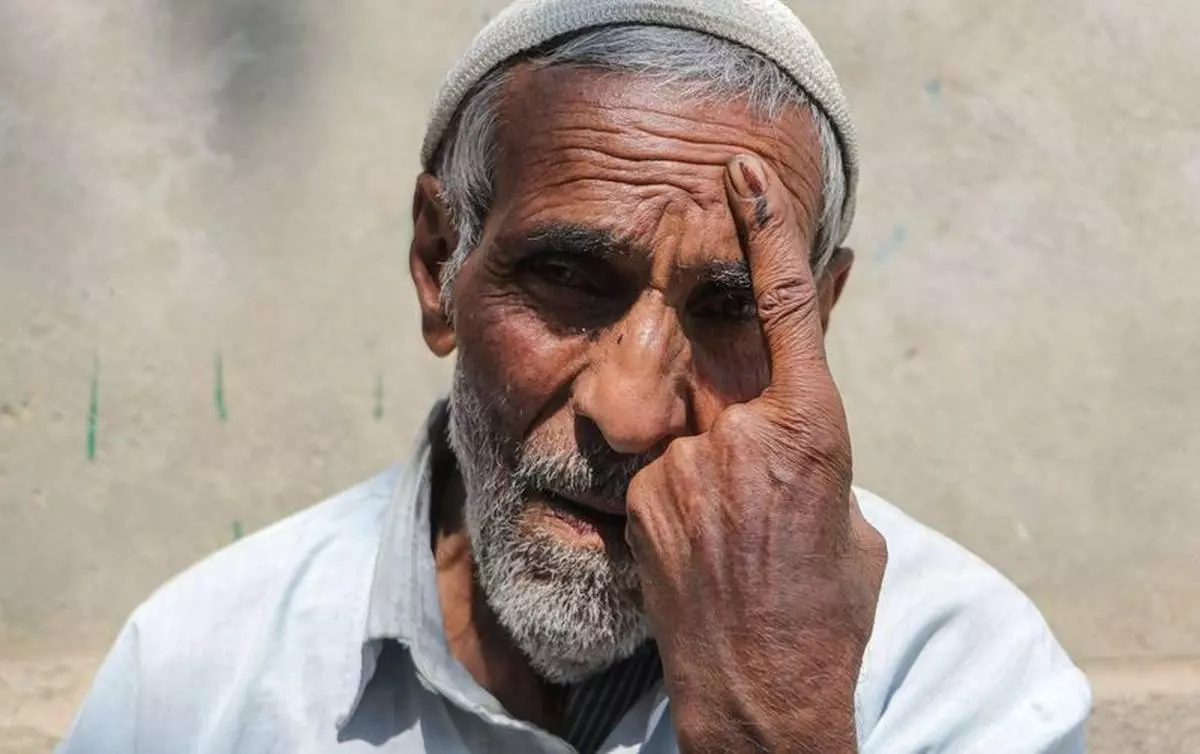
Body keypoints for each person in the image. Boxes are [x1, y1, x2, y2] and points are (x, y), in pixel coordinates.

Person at [58, 0, 1092, 752]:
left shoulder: (963, 675)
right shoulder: (197, 678)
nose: (634, 410)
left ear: (815, 321)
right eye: (565, 277)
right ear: (438, 264)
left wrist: (776, 727)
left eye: (729, 306)